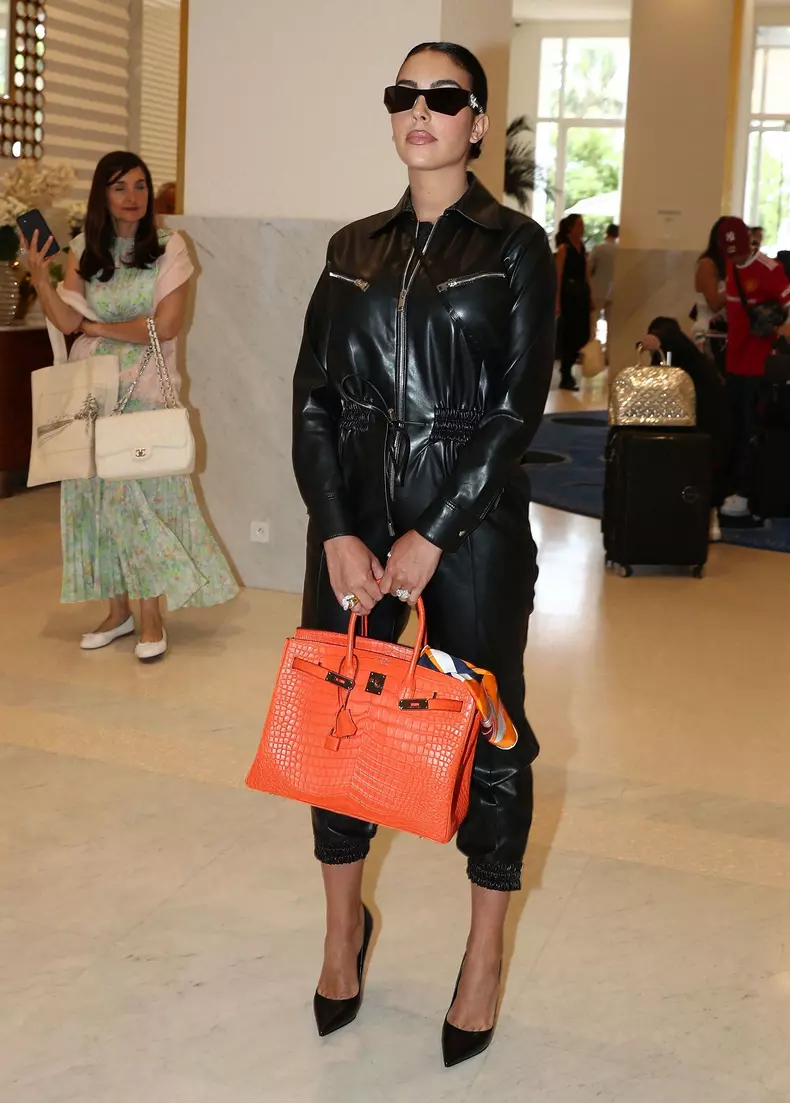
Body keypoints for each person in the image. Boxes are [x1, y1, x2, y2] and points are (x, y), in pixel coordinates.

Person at [292, 42, 555, 1066]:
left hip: (473, 533)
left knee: (492, 732)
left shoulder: (517, 247)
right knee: (340, 724)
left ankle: (483, 952)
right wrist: (338, 526)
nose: (421, 110)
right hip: (354, 530)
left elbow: (510, 413)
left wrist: (432, 531)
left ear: (478, 121)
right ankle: (340, 931)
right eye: (405, 94)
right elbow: (314, 399)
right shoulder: (350, 246)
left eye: (443, 97)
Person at [24, 151, 238, 659]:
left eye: (140, 186)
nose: (133, 197)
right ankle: (119, 611)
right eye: (120, 187)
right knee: (96, 504)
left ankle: (151, 618)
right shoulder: (82, 249)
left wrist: (96, 328)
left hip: (143, 392)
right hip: (89, 393)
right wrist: (39, 279)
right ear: (103, 194)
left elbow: (164, 326)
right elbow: (65, 318)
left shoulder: (169, 246)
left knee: (137, 503)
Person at [718, 216, 790, 518]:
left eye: (739, 250)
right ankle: (733, 484)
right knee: (733, 427)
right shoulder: (732, 267)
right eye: (729, 252)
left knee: (751, 429)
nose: (735, 256)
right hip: (734, 361)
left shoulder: (768, 269)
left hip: (757, 366)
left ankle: (747, 492)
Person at [642, 317, 731, 540]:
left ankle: (706, 519)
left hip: (705, 421)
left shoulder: (682, 352)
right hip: (700, 421)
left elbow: (670, 335)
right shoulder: (688, 359)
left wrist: (658, 337)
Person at [555, 213, 591, 390]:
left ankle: (569, 368)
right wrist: (557, 302)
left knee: (582, 333)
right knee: (569, 334)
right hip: (569, 295)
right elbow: (558, 275)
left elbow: (586, 274)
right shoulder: (564, 248)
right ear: (570, 228)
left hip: (581, 294)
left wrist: (590, 295)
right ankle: (565, 374)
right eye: (579, 225)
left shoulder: (582, 247)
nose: (582, 228)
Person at [693, 218, 728, 367]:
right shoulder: (707, 264)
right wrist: (736, 283)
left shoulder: (731, 264)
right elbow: (713, 304)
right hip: (708, 332)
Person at [589, 222, 619, 360]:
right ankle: (609, 356)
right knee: (612, 326)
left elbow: (589, 268)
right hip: (614, 291)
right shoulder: (620, 250)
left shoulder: (598, 248)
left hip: (597, 289)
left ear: (606, 233)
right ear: (617, 234)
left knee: (593, 324)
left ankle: (592, 355)